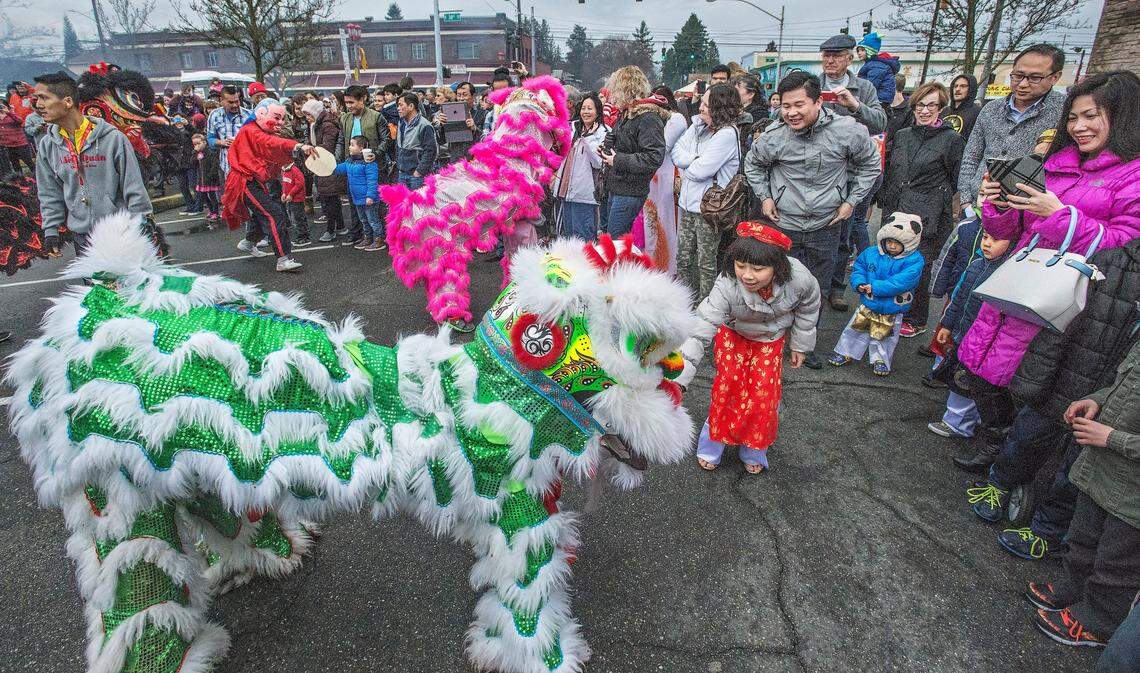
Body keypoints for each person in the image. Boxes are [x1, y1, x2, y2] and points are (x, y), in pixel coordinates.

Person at [954, 71, 1140, 497]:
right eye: (1074, 117)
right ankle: (995, 439)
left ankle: (1015, 478)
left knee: (1040, 398)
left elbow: (1125, 250)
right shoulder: (1056, 165)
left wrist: (1060, 215)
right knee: (983, 371)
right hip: (1020, 286)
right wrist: (998, 204)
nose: (1079, 126)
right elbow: (1016, 228)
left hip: (1077, 307)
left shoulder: (1133, 176)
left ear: (1124, 116)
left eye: (1092, 116)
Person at [998, 235, 1140, 560]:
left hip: (1118, 406)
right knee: (1027, 436)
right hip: (1069, 378)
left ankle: (1046, 532)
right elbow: (1063, 323)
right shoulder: (1111, 262)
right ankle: (999, 483)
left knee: (1075, 473)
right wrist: (1033, 379)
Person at [744, 70, 880, 369]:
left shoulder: (848, 131)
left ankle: (805, 344)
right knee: (778, 284)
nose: (791, 113)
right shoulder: (774, 136)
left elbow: (872, 163)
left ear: (818, 102)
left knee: (815, 288)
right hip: (784, 223)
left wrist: (851, 202)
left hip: (826, 225)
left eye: (799, 105)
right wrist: (766, 196)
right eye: (786, 106)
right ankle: (774, 339)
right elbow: (753, 164)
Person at [676, 222, 820, 473]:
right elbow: (701, 328)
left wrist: (800, 345)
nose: (747, 275)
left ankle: (753, 449)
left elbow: (808, 310)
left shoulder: (801, 279)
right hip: (734, 336)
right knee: (727, 389)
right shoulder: (727, 284)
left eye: (758, 268)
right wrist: (679, 379)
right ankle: (712, 447)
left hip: (770, 340)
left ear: (778, 266)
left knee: (763, 396)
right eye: (740, 266)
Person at [1026, 337, 1140, 649]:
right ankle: (1072, 591)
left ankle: (1096, 622)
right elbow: (1126, 387)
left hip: (1133, 496)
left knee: (1116, 564)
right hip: (1104, 471)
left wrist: (1112, 438)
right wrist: (1097, 401)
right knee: (1083, 538)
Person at [877, 82, 965, 337]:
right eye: (920, 105)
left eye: (931, 106)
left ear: (941, 108)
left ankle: (916, 318)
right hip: (897, 208)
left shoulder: (951, 140)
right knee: (893, 263)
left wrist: (942, 204)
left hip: (928, 214)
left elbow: (956, 178)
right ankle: (891, 310)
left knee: (919, 268)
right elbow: (894, 169)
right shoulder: (904, 135)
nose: (925, 111)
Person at [32, 71, 151, 256]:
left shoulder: (113, 139)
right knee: (93, 285)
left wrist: (140, 222)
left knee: (126, 285)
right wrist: (51, 231)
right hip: (82, 236)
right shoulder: (47, 146)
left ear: (68, 102)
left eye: (44, 98)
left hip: (120, 232)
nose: (38, 105)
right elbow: (49, 193)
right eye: (36, 99)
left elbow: (133, 186)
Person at [816, 32, 888, 313]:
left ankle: (836, 287)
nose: (830, 61)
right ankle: (813, 286)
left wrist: (855, 106)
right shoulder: (811, 85)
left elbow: (880, 122)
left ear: (849, 58)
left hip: (849, 172)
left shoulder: (864, 88)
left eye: (836, 55)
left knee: (843, 233)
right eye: (826, 56)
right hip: (817, 170)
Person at [925, 228, 1013, 439]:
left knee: (964, 382)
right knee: (960, 379)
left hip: (982, 341)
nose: (987, 243)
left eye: (996, 238)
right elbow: (959, 298)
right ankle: (960, 421)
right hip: (963, 333)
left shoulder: (1007, 273)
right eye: (985, 237)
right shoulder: (976, 265)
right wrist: (947, 324)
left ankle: (958, 424)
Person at [958, 44, 1067, 210]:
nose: (1023, 84)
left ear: (1055, 77)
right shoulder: (990, 109)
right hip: (978, 205)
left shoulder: (1065, 112)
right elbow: (971, 156)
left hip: (1027, 211)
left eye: (1034, 78)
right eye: (1017, 76)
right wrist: (966, 200)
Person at [221, 98, 319, 272]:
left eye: (282, 119)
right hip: (245, 181)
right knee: (274, 215)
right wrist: (298, 145)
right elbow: (272, 144)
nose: (280, 122)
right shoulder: (251, 131)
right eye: (277, 117)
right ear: (261, 114)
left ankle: (248, 242)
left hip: (251, 180)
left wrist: (296, 149)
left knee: (264, 213)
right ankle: (283, 258)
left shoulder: (257, 131)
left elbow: (275, 149)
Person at [828, 213, 923, 376]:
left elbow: (902, 282)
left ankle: (881, 359)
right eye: (889, 242)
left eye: (897, 243)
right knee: (856, 329)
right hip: (869, 303)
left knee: (885, 335)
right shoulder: (871, 253)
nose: (892, 246)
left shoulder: (914, 261)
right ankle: (846, 351)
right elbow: (859, 268)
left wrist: (874, 287)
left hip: (892, 306)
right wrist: (858, 283)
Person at [671, 83, 742, 300]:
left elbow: (701, 172)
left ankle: (707, 308)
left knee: (706, 263)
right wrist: (694, 159)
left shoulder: (728, 134)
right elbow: (675, 151)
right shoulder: (697, 126)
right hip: (687, 203)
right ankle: (683, 302)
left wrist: (690, 162)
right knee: (682, 259)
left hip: (709, 210)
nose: (700, 108)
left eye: (705, 104)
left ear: (719, 107)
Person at [599, 65, 666, 237]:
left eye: (615, 89)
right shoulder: (628, 113)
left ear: (625, 89)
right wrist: (607, 150)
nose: (611, 95)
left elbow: (653, 157)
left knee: (616, 243)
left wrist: (618, 160)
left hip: (630, 191)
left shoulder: (648, 117)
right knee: (611, 240)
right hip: (616, 187)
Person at [637, 85, 687, 272]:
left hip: (668, 175)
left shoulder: (676, 118)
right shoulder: (653, 119)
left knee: (667, 222)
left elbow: (661, 146)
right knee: (651, 222)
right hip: (653, 175)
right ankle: (653, 264)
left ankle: (670, 268)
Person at [551, 91, 607, 241]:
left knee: (584, 238)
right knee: (568, 237)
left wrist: (589, 138)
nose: (586, 112)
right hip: (566, 192)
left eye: (590, 108)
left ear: (598, 111)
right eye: (583, 108)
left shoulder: (604, 132)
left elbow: (599, 162)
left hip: (585, 196)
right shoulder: (574, 129)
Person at [341, 84, 389, 244]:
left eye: (352, 102)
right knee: (357, 204)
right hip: (353, 168)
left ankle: (381, 236)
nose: (349, 106)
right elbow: (342, 141)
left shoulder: (376, 116)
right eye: (346, 103)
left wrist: (376, 154)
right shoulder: (345, 118)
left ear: (363, 99)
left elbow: (386, 139)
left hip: (372, 166)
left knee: (375, 204)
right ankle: (364, 235)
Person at [300, 99, 346, 242]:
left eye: (308, 114)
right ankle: (340, 226)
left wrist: (311, 150)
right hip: (321, 163)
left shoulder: (327, 125)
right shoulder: (315, 124)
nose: (307, 118)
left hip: (327, 163)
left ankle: (331, 229)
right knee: (331, 198)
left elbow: (327, 147)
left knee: (329, 198)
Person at [333, 135, 383, 251]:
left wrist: (370, 196)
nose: (349, 147)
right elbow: (338, 169)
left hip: (368, 199)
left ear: (361, 148)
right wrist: (327, 166)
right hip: (357, 198)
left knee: (372, 219)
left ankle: (379, 238)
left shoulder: (369, 163)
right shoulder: (349, 162)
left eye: (352, 145)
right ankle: (368, 238)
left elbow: (372, 181)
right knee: (364, 220)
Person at [395, 92, 437, 190]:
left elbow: (430, 151)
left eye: (401, 105)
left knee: (418, 204)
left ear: (411, 106)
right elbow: (398, 147)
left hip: (417, 176)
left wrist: (419, 172)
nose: (398, 108)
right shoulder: (401, 123)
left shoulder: (424, 125)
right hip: (402, 173)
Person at [206, 86, 250, 176]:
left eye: (237, 101)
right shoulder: (214, 115)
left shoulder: (249, 115)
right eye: (230, 102)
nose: (235, 105)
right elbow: (210, 139)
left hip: (247, 168)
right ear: (221, 100)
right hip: (225, 167)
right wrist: (222, 142)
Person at [855, 32, 900, 105]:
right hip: (880, 100)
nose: (859, 53)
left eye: (862, 50)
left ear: (870, 50)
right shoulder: (873, 64)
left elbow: (870, 86)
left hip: (878, 101)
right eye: (858, 50)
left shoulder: (876, 66)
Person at [191, 133, 222, 226]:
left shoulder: (209, 152)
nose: (197, 146)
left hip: (210, 179)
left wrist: (212, 175)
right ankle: (211, 210)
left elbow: (215, 164)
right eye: (195, 144)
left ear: (204, 142)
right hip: (201, 179)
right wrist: (195, 152)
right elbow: (192, 163)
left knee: (212, 196)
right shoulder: (197, 153)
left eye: (198, 143)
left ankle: (215, 212)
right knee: (204, 196)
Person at [280, 158, 310, 246]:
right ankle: (303, 234)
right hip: (290, 199)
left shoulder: (294, 170)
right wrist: (284, 193)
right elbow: (285, 184)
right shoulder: (284, 170)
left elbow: (300, 183)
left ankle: (303, 237)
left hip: (297, 200)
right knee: (295, 217)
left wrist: (291, 194)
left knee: (297, 219)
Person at [941, 74, 982, 139]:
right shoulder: (944, 111)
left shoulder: (978, 113)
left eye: (963, 86)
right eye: (955, 86)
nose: (957, 89)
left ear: (971, 89)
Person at [0, 100, 34, 174]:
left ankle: (38, 177)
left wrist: (8, 112)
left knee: (29, 162)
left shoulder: (12, 113)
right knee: (15, 165)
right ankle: (21, 181)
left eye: (2, 105)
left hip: (20, 144)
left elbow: (19, 121)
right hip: (7, 145)